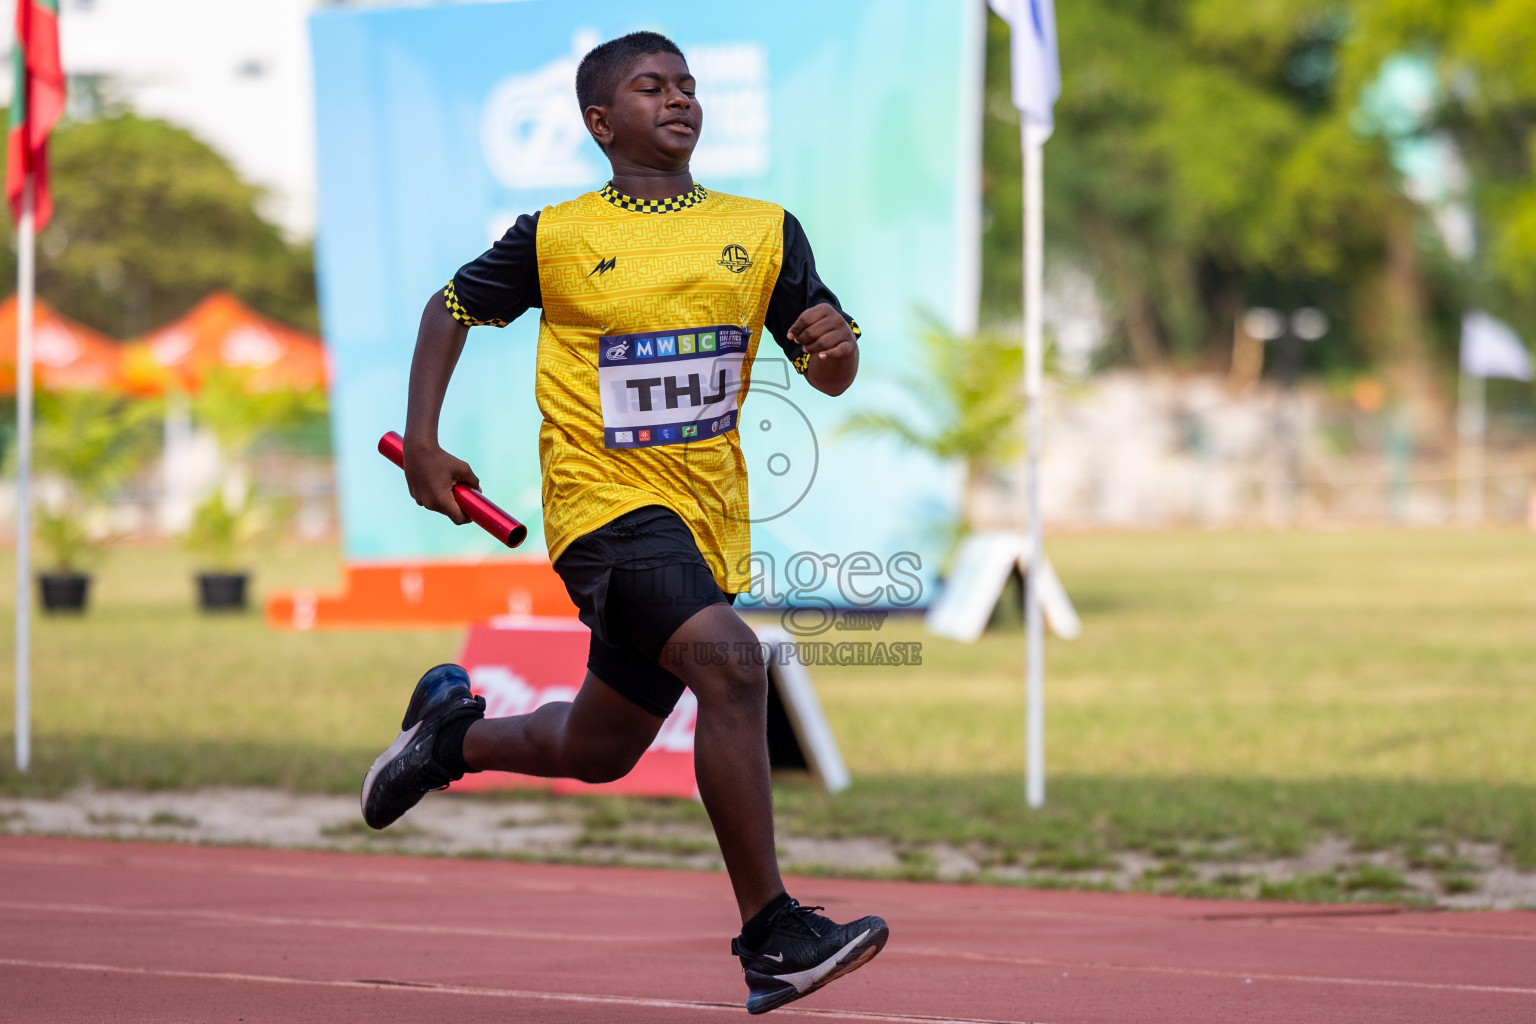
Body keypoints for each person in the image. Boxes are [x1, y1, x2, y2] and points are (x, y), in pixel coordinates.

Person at [358, 30, 887, 1016]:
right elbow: (449, 307)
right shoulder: (556, 235)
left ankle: (447, 737)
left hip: (705, 522)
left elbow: (829, 363)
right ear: (602, 123)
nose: (680, 99)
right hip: (603, 512)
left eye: (688, 85)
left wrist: (834, 349)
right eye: (652, 87)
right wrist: (424, 445)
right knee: (733, 666)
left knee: (598, 750)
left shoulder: (765, 230)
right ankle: (773, 934)